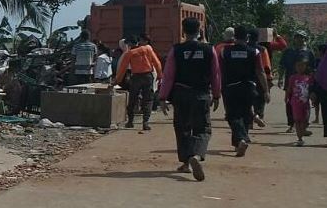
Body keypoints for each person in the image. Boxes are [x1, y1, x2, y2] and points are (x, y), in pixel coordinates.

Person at [158, 17, 221, 181]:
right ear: (200, 31)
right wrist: (216, 94)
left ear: (183, 31)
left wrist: (163, 97)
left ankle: (186, 162)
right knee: (203, 129)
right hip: (201, 94)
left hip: (181, 94)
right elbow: (215, 74)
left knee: (182, 128)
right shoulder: (209, 49)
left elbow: (168, 75)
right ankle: (197, 156)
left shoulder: (176, 50)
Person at [220, 25, 269, 156]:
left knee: (233, 116)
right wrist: (266, 90)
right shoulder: (254, 52)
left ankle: (241, 140)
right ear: (247, 37)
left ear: (234, 37)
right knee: (246, 115)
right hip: (249, 88)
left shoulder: (225, 51)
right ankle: (239, 144)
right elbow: (260, 72)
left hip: (230, 88)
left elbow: (220, 70)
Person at [115, 32, 162, 130]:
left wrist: (117, 81)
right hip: (148, 76)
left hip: (136, 77)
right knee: (148, 99)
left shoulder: (129, 53)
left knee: (132, 99)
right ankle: (145, 122)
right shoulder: (147, 49)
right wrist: (160, 75)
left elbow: (122, 69)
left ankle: (130, 122)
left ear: (129, 44)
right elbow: (157, 62)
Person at [279, 31, 316, 132]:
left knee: (304, 102)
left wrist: (313, 83)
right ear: (294, 39)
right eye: (297, 37)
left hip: (304, 83)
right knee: (289, 102)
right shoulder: (288, 52)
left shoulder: (309, 53)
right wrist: (280, 79)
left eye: (302, 37)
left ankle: (303, 124)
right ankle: (292, 124)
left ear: (305, 39)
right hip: (290, 81)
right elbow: (282, 66)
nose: (300, 39)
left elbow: (313, 69)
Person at [285, 58, 314, 146]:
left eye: (302, 65)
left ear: (305, 66)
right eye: (298, 65)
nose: (300, 67)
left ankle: (303, 131)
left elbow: (312, 90)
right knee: (297, 120)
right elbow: (289, 89)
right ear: (295, 67)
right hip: (295, 102)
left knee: (305, 119)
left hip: (305, 103)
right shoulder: (293, 77)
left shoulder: (309, 78)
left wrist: (313, 98)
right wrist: (286, 97)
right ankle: (300, 138)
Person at [247, 29, 272, 128]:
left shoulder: (246, 48)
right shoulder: (262, 49)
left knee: (249, 100)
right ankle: (258, 115)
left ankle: (250, 121)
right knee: (261, 99)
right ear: (258, 38)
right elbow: (266, 66)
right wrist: (268, 79)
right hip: (260, 77)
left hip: (249, 77)